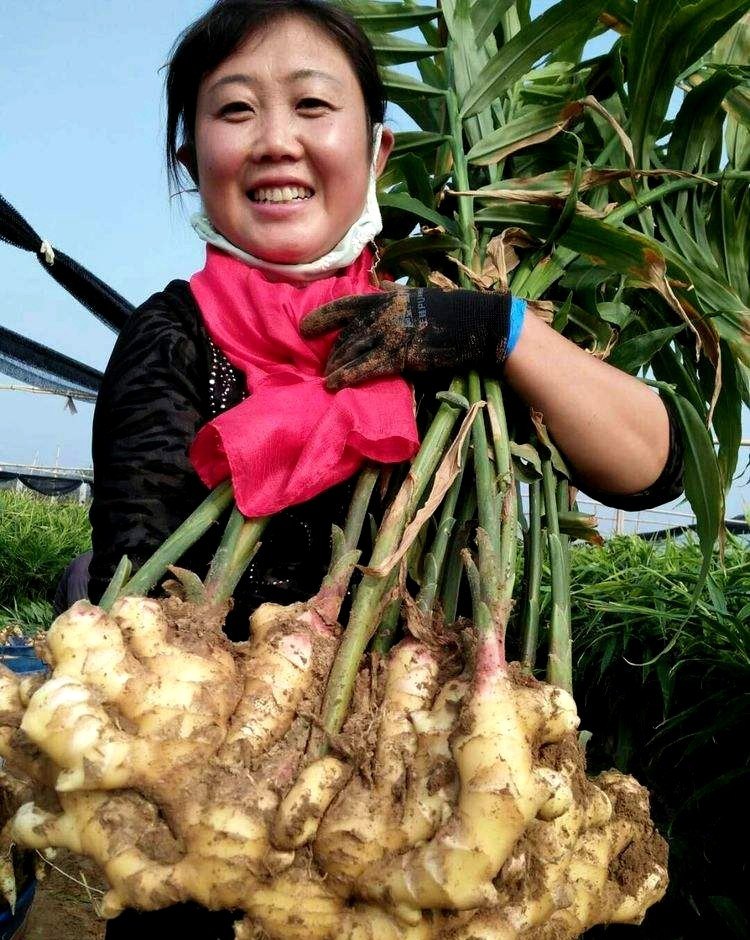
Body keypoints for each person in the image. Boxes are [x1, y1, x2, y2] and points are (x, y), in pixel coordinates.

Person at [88, 1, 683, 934]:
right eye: (235, 111)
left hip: (440, 802)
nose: (275, 141)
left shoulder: (450, 325)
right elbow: (149, 598)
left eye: (313, 107)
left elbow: (650, 467)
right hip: (217, 835)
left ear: (377, 151)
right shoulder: (171, 338)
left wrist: (499, 330)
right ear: (187, 158)